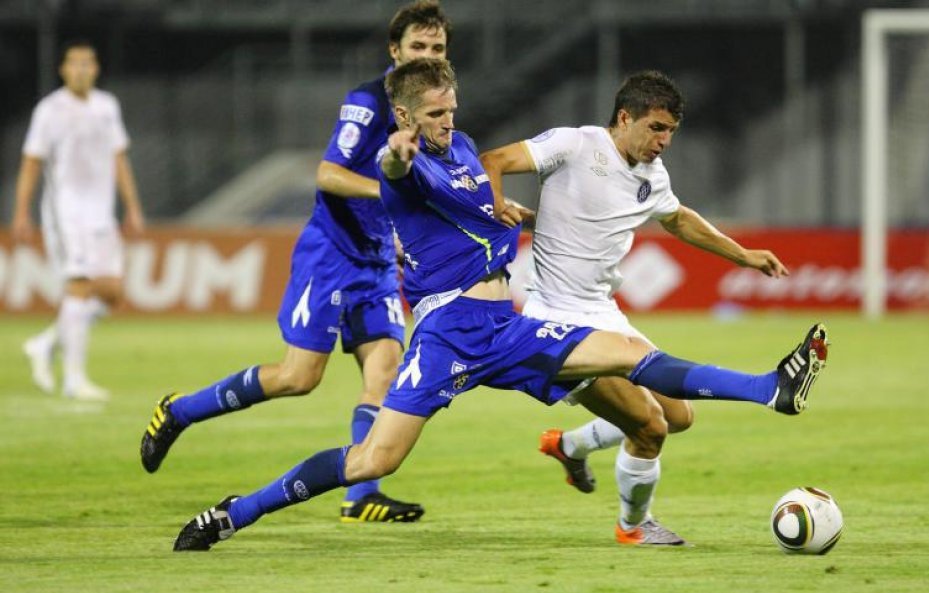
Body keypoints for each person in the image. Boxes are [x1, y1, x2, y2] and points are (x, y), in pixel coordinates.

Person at [169, 58, 829, 552]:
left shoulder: (457, 148)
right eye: (432, 115)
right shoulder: (402, 164)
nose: (447, 123)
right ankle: (235, 512)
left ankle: (771, 388)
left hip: (507, 324)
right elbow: (400, 180)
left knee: (632, 355)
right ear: (402, 119)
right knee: (373, 460)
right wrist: (397, 159)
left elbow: (476, 184)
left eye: (451, 110)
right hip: (448, 332)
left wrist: (498, 208)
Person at [139, 0, 452, 523]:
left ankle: (361, 494)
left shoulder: (433, 110)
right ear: (394, 52)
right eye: (417, 47)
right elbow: (329, 173)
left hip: (375, 261)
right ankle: (180, 410)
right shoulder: (368, 103)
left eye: (437, 48)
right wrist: (390, 194)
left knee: (385, 368)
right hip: (330, 255)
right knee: (298, 376)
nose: (426, 56)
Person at [480, 70, 796, 545]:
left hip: (603, 313)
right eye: (656, 128)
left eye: (671, 131)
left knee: (679, 416)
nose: (664, 140)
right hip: (556, 321)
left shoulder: (652, 174)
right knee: (649, 427)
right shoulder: (575, 144)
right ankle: (632, 527)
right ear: (625, 118)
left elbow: (679, 220)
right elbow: (492, 160)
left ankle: (570, 446)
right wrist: (496, 204)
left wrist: (745, 255)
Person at [13, 40, 145, 401]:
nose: (81, 69)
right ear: (63, 69)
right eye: (74, 63)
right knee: (80, 286)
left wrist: (132, 207)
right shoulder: (50, 110)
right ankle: (74, 379)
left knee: (112, 293)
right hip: (66, 213)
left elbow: (119, 159)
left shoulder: (107, 106)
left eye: (88, 63)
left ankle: (44, 343)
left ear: (96, 68)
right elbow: (31, 162)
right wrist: (21, 211)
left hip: (101, 214)